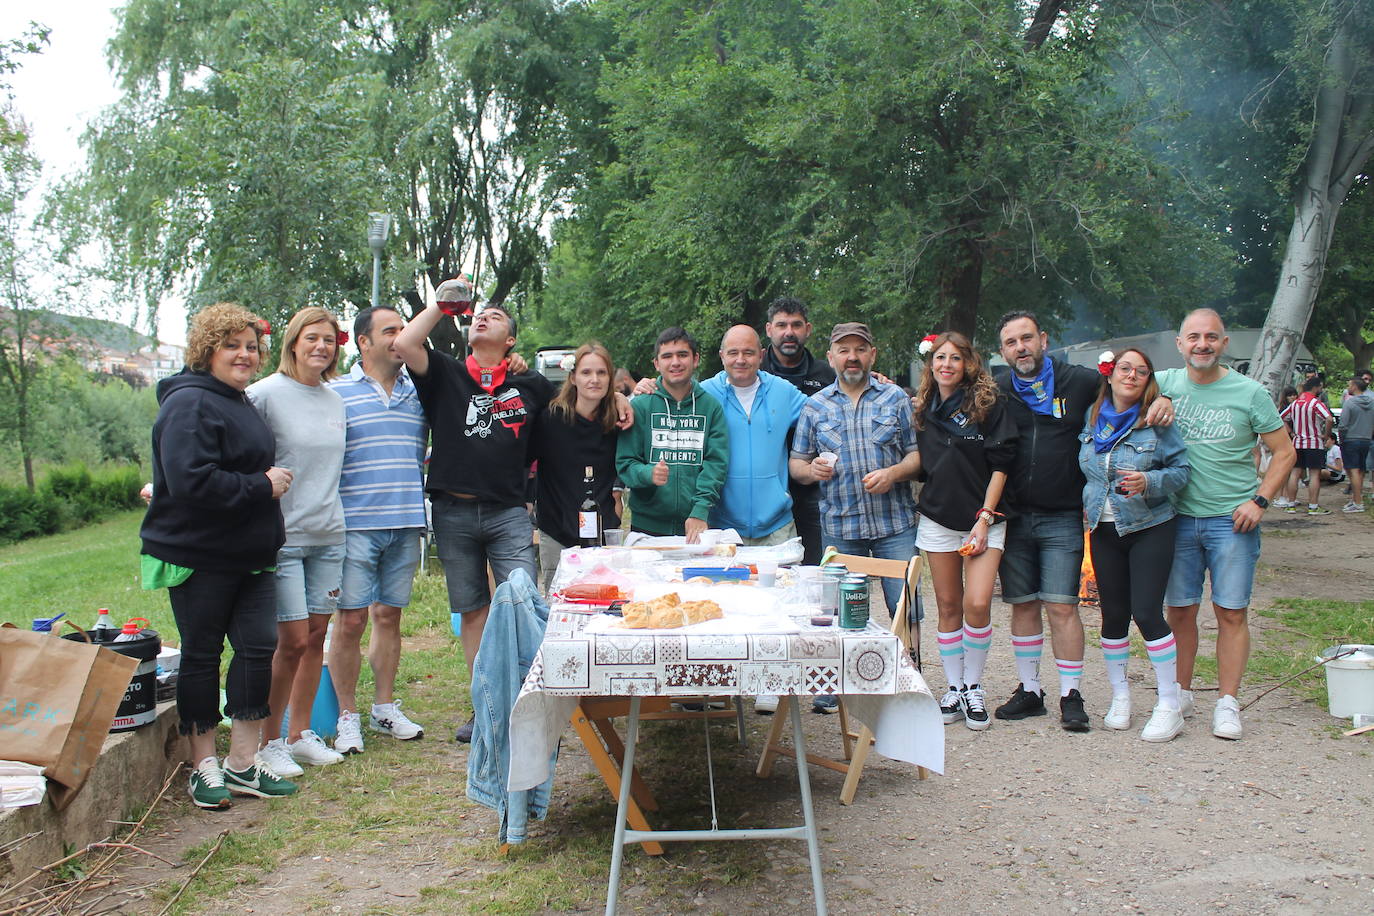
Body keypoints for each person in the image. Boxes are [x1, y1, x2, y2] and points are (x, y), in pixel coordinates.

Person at [140, 302, 297, 808]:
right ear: (207, 350)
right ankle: (203, 764)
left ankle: (244, 764)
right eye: (232, 345)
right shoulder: (188, 403)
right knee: (203, 655)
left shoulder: (238, 400)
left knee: (257, 651)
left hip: (251, 554)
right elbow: (190, 482)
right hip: (200, 554)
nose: (245, 355)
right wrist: (262, 486)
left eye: (251, 347)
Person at [394, 279, 556, 744]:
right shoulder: (446, 373)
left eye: (497, 318)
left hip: (507, 513)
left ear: (510, 342)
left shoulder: (530, 384)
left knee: (522, 601)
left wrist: (625, 398)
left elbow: (574, 411)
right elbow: (405, 342)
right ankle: (484, 706)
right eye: (479, 315)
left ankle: (528, 702)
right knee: (472, 612)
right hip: (454, 512)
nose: (484, 317)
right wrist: (442, 305)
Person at [1158, 308, 1295, 740]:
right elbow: (1114, 401)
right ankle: (1178, 694)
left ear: (1224, 343)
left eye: (1211, 337)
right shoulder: (1161, 384)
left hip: (1231, 521)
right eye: (1194, 337)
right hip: (1176, 518)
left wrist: (1261, 500)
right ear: (1180, 344)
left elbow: (1284, 451)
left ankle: (1227, 703)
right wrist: (1153, 400)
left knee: (1230, 612)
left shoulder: (1249, 393)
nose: (1203, 344)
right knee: (1179, 611)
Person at [993, 311, 1130, 730]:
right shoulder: (997, 389)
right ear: (1003, 351)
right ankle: (1030, 690)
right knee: (1022, 605)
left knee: (1062, 606)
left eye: (1027, 338)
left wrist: (1160, 400)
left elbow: (1131, 385)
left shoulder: (1080, 381)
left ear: (1044, 339)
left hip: (1062, 516)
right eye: (1012, 342)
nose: (1021, 347)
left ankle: (1072, 694)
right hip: (1013, 516)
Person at [248, 307, 349, 774]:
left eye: (329, 339)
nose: (321, 347)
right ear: (292, 342)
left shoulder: (334, 399)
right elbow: (235, 450)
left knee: (315, 638)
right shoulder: (264, 394)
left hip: (330, 534)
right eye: (312, 338)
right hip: (283, 536)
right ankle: (269, 742)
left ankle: (300, 733)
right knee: (287, 641)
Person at [327, 305, 429, 755]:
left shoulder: (420, 391)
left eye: (404, 330)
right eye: (390, 331)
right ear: (363, 342)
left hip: (405, 521)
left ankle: (384, 707)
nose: (400, 339)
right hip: (354, 526)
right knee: (349, 621)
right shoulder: (335, 392)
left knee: (389, 617)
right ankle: (346, 716)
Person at [1078, 349, 1191, 742]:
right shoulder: (1092, 419)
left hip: (1149, 525)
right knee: (1112, 614)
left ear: (1148, 381)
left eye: (1141, 372)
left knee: (1146, 611)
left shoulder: (1156, 422)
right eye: (1125, 368)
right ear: (1109, 375)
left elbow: (1181, 470)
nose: (1132, 376)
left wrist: (1151, 482)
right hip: (1103, 528)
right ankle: (1120, 696)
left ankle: (1168, 703)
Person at [910, 332, 1017, 731]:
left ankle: (974, 685)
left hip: (984, 519)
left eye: (955, 358)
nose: (947, 365)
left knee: (977, 603)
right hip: (937, 518)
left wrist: (985, 517)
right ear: (931, 363)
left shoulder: (989, 405)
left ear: (968, 363)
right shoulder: (922, 407)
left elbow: (1001, 464)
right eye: (940, 358)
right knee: (949, 605)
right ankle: (954, 688)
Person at [790, 322, 922, 618]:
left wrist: (893, 474)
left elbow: (916, 458)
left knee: (907, 612)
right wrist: (812, 470)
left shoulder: (895, 398)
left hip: (895, 526)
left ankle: (909, 664)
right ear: (831, 357)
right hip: (841, 528)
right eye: (844, 350)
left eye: (860, 350)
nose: (852, 356)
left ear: (872, 355)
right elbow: (796, 465)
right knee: (843, 616)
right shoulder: (815, 406)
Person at [615, 327, 729, 542]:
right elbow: (625, 463)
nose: (675, 362)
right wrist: (648, 474)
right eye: (667, 356)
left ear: (695, 359)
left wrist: (700, 509)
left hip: (696, 525)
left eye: (682, 355)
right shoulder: (640, 407)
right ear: (657, 364)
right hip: (647, 526)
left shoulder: (711, 407)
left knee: (696, 577)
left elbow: (716, 464)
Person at [701, 325, 809, 545]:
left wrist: (868, 381)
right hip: (721, 529)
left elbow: (825, 412)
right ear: (722, 356)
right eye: (733, 353)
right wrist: (636, 391)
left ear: (761, 356)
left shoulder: (783, 391)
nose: (740, 359)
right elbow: (666, 400)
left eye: (748, 353)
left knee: (784, 581)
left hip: (777, 528)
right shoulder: (704, 394)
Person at [532, 342, 623, 591]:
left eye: (601, 373)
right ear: (572, 377)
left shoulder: (618, 422)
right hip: (558, 533)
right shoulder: (550, 419)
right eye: (586, 373)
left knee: (605, 605)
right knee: (558, 608)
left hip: (603, 535)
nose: (594, 379)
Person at [761, 297, 836, 565]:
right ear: (769, 329)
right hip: (763, 489)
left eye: (796, 325)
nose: (789, 332)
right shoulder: (752, 372)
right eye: (781, 325)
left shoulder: (827, 375)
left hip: (813, 490)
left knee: (814, 568)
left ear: (808, 329)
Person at [1279, 376, 1334, 515]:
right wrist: (1326, 435)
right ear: (1316, 387)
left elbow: (1281, 417)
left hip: (1297, 442)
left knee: (1295, 472)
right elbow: (1329, 418)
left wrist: (1291, 432)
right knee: (1314, 474)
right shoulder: (1315, 403)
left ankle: (1291, 504)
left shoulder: (1296, 403)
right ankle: (1313, 506)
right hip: (1314, 442)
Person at [1338, 375, 1373, 511]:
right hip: (1366, 439)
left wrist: (1342, 439)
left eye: (1349, 385)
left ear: (1355, 387)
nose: (1348, 388)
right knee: (1361, 470)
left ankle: (1358, 502)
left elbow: (1343, 424)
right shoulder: (1372, 402)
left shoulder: (1350, 403)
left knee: (1353, 471)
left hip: (1351, 439)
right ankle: (1356, 499)